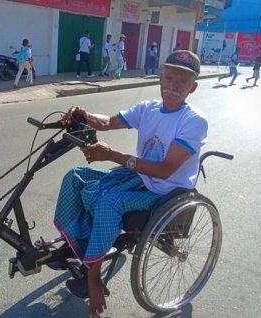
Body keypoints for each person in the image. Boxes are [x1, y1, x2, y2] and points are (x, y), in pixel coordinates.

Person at [55, 50, 207, 318]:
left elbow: (166, 169)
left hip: (165, 188)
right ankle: (77, 240)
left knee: (108, 201)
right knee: (76, 176)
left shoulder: (193, 121)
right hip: (138, 175)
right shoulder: (147, 109)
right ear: (160, 78)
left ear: (192, 87)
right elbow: (109, 122)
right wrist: (84, 114)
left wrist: (113, 155)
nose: (173, 85)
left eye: (181, 82)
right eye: (169, 77)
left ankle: (94, 277)